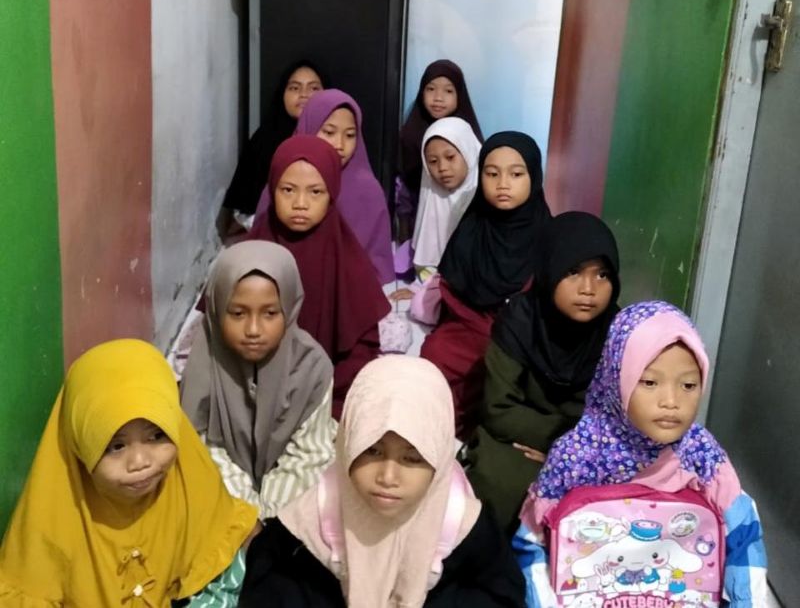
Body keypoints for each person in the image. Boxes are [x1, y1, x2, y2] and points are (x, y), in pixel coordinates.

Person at [514, 301, 768, 608]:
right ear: (617, 378)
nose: (671, 401)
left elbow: (744, 534)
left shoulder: (700, 452)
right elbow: (529, 543)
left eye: (688, 385)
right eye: (649, 382)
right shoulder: (575, 456)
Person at [238, 355, 527, 608]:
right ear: (348, 443)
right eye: (372, 451)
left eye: (412, 458)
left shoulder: (461, 524)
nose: (388, 477)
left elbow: (502, 594)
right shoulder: (310, 524)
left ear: (439, 459)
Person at [0, 339, 259, 607]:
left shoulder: (189, 479)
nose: (140, 462)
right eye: (116, 446)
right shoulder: (49, 522)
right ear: (81, 445)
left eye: (156, 436)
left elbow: (230, 539)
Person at [465, 212, 620, 534]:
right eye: (573, 272)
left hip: (593, 446)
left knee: (602, 494)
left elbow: (621, 417)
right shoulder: (519, 323)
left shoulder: (620, 333)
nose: (588, 289)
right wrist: (558, 440)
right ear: (550, 269)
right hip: (517, 436)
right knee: (501, 485)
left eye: (602, 274)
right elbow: (498, 408)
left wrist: (569, 451)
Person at [181, 240, 336, 519]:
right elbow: (203, 449)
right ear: (217, 308)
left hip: (289, 503)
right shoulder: (203, 364)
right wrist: (247, 515)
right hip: (225, 498)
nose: (253, 329)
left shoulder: (312, 367)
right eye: (238, 313)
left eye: (270, 313)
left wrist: (270, 519)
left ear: (290, 308)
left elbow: (308, 454)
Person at [420, 132, 551, 439]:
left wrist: (510, 330)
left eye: (516, 174)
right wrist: (482, 327)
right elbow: (453, 292)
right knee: (435, 354)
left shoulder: (550, 237)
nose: (503, 184)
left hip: (523, 336)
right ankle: (442, 435)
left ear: (534, 176)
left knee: (522, 376)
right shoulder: (472, 227)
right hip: (469, 329)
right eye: (492, 174)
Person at [248, 135, 390, 416]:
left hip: (327, 384)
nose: (300, 203)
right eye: (288, 190)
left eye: (315, 192)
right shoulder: (255, 248)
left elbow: (361, 341)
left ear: (332, 193)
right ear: (272, 188)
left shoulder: (346, 255)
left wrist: (327, 387)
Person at [254, 88, 394, 285]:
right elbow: (259, 250)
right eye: (329, 132)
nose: (340, 144)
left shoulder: (368, 190)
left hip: (347, 291)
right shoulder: (285, 178)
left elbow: (376, 266)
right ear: (309, 127)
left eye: (350, 135)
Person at [223, 59, 327, 225]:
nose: (304, 94)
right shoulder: (264, 140)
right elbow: (244, 207)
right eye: (294, 88)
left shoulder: (336, 138)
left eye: (313, 88)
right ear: (282, 94)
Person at [397, 60, 483, 238]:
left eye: (448, 91)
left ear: (459, 94)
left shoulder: (468, 135)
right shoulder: (410, 134)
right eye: (430, 89)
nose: (438, 98)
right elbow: (403, 187)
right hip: (420, 221)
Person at [412, 117, 482, 280]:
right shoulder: (432, 197)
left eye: (450, 157)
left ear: (469, 152)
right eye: (433, 161)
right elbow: (425, 264)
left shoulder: (486, 196)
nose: (442, 168)